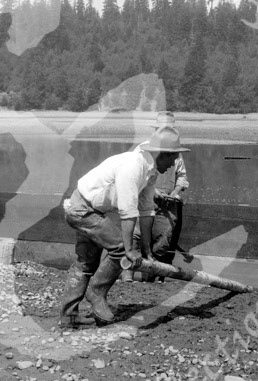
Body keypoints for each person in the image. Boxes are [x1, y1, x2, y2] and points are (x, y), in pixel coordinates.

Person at [59, 125, 190, 328]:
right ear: (162, 154)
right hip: (82, 209)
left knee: (86, 263)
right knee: (120, 248)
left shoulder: (150, 172)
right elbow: (127, 211)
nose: (173, 164)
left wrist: (147, 251)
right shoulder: (134, 166)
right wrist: (129, 250)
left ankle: (69, 317)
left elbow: (146, 211)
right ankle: (96, 292)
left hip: (88, 208)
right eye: (172, 158)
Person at [123, 112, 190, 282]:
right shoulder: (143, 149)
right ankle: (127, 278)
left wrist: (175, 192)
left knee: (163, 241)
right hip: (145, 199)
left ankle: (151, 279)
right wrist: (153, 191)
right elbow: (137, 178)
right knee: (136, 237)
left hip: (167, 204)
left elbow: (182, 176)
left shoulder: (175, 152)